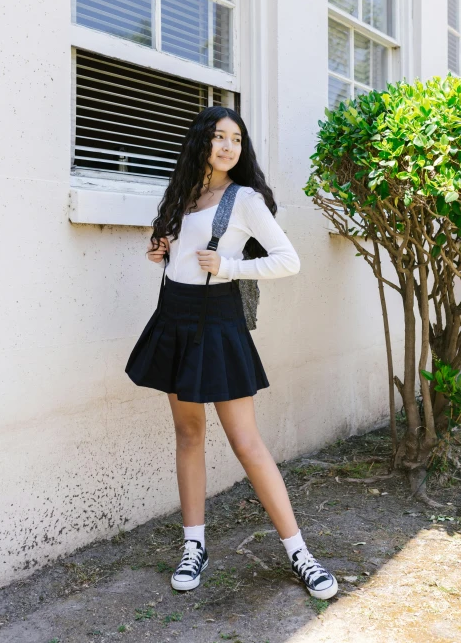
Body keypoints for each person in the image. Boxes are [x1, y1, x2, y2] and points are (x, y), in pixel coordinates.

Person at [126, 106, 338, 601]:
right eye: (219, 136)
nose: (227, 146)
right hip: (174, 318)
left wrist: (229, 266)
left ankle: (299, 552)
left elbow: (289, 261)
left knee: (247, 443)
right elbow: (179, 259)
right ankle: (193, 545)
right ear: (200, 141)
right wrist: (160, 250)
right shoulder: (183, 196)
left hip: (218, 322)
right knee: (188, 433)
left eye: (236, 139)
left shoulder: (243, 199)